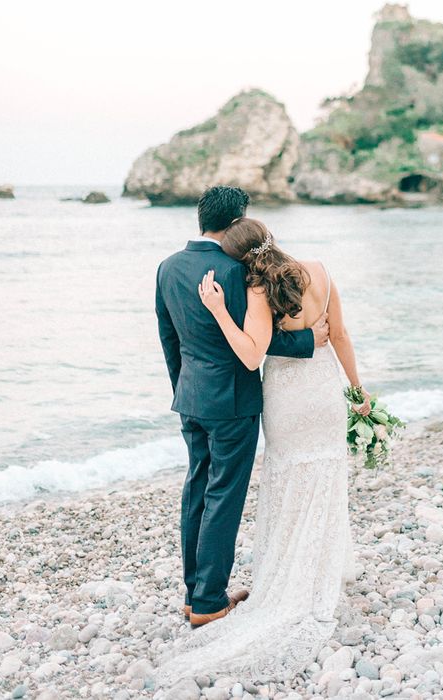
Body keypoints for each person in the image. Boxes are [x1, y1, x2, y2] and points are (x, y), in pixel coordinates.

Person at [157, 216, 370, 684]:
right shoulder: (320, 268)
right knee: (326, 476)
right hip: (325, 393)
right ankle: (323, 570)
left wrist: (217, 310)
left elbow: (253, 353)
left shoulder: (256, 288)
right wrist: (359, 392)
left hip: (283, 401)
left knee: (286, 478)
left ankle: (278, 578)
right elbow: (340, 335)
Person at [155, 186, 330, 630]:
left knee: (196, 488)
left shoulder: (167, 267)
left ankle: (194, 592)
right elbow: (260, 340)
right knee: (223, 496)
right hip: (232, 400)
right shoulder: (241, 269)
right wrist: (310, 339)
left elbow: (170, 339)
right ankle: (210, 601)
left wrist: (184, 391)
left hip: (191, 398)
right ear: (237, 221)